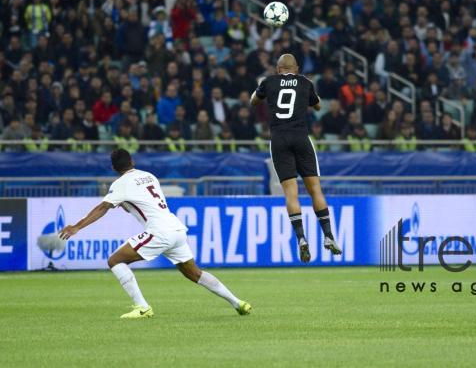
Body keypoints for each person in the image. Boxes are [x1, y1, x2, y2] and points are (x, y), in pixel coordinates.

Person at [58, 149, 251, 319]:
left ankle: (142, 307)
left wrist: (76, 227)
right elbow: (138, 203)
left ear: (114, 168)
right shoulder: (149, 176)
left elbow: (102, 208)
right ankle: (238, 302)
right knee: (194, 273)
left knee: (115, 261)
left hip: (159, 232)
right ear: (132, 161)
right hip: (176, 229)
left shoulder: (120, 184)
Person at [250, 54, 342, 262]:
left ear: (278, 69)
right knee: (315, 189)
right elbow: (318, 106)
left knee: (291, 193)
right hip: (301, 137)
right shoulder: (305, 82)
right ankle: (328, 235)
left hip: (279, 139)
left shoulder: (268, 82)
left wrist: (265, 90)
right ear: (297, 68)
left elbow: (253, 101)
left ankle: (301, 238)